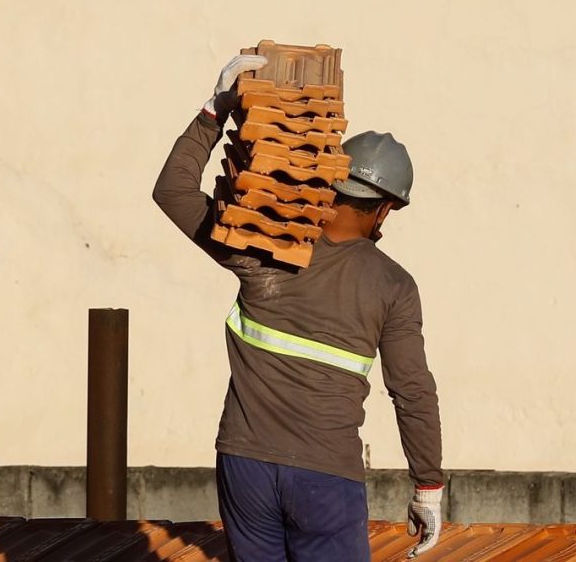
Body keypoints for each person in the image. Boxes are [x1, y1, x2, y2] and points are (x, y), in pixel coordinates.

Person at [153, 55, 443, 561]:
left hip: (244, 466)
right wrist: (428, 488)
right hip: (326, 479)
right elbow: (412, 391)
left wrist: (214, 109)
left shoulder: (261, 244)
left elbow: (172, 191)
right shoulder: (393, 286)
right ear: (385, 207)